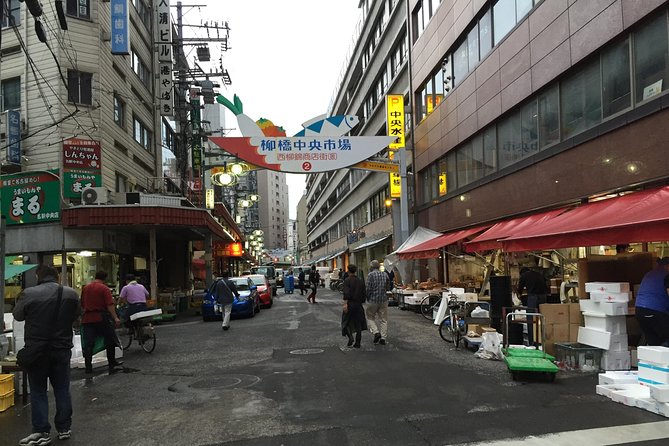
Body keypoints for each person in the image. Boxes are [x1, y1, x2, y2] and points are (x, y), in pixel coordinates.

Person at [13, 265, 81, 445]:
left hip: (37, 350)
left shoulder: (29, 293)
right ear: (57, 276)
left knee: (38, 391)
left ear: (38, 276)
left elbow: (18, 316)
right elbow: (76, 316)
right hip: (61, 349)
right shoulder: (71, 294)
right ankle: (64, 428)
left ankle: (42, 431)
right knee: (62, 388)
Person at [80, 270, 123, 375]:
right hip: (101, 317)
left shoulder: (85, 288)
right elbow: (109, 304)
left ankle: (88, 367)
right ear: (105, 278)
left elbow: (82, 303)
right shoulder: (104, 288)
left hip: (87, 318)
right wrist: (115, 317)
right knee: (110, 340)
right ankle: (111, 363)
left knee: (88, 343)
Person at [635, 257, 669, 346]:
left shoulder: (650, 273)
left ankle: (652, 359)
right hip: (655, 310)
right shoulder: (667, 274)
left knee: (653, 342)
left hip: (639, 310)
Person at [517, 267, 549, 346]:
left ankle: (533, 342)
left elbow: (520, 288)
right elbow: (546, 285)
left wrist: (519, 295)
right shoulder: (538, 274)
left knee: (531, 320)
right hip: (543, 297)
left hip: (533, 298)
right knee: (542, 319)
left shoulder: (524, 275)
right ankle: (543, 340)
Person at [365, 260, 391, 345]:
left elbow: (368, 288)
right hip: (383, 299)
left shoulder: (370, 275)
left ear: (372, 267)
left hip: (373, 299)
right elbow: (388, 286)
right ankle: (383, 338)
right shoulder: (385, 274)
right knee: (383, 319)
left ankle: (376, 332)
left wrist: (367, 297)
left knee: (370, 317)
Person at [342, 264, 367, 348]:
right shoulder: (360, 281)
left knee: (345, 321)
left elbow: (346, 293)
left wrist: (345, 304)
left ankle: (350, 336)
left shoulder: (347, 280)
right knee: (358, 323)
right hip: (358, 304)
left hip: (350, 303)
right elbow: (364, 293)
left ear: (348, 271)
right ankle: (358, 342)